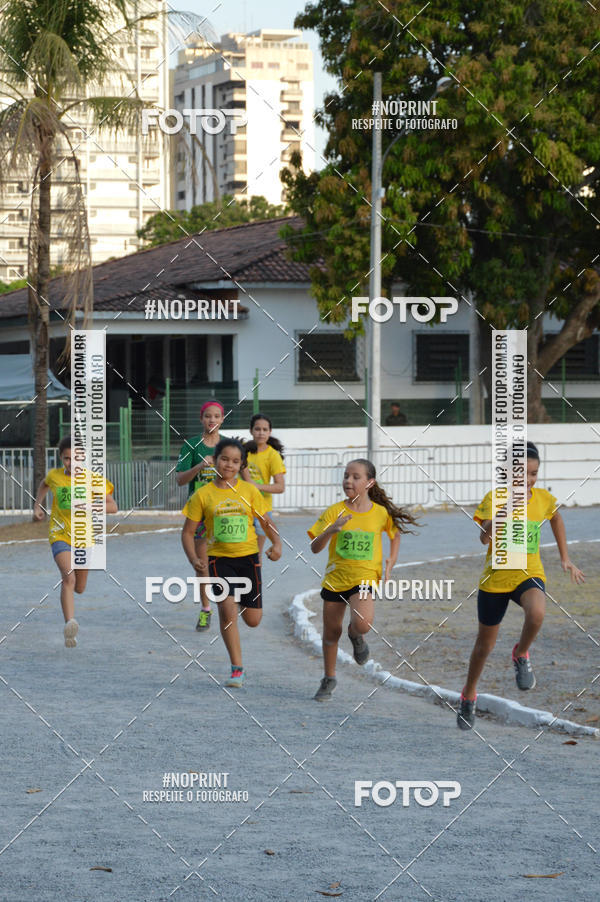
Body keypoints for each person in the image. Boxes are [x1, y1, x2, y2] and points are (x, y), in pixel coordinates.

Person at [457, 441, 585, 730]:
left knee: (537, 613)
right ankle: (468, 694)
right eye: (521, 474)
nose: (527, 480)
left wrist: (565, 558)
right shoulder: (495, 497)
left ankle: (521, 653)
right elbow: (484, 538)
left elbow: (556, 518)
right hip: (496, 579)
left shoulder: (542, 499)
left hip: (528, 573)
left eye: (533, 473)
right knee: (484, 647)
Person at [307, 458, 417, 701]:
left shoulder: (380, 513)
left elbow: (395, 534)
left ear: (369, 482)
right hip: (336, 578)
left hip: (365, 577)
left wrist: (392, 560)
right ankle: (329, 678)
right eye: (346, 475)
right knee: (330, 633)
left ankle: (356, 634)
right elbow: (315, 547)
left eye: (355, 477)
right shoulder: (334, 511)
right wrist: (330, 530)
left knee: (364, 623)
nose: (348, 480)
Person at [181, 438, 282, 687]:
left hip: (248, 559)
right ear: (215, 460)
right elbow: (186, 532)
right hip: (219, 560)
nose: (229, 465)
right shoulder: (202, 495)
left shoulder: (249, 491)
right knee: (227, 613)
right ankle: (237, 668)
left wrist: (277, 543)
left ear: (241, 465)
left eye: (235, 461)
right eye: (224, 459)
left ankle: (236, 603)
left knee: (253, 620)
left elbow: (265, 522)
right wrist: (194, 558)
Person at [32, 436, 118, 647]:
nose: (71, 463)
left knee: (79, 587)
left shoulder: (93, 480)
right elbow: (44, 485)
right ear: (62, 458)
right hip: (59, 534)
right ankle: (70, 625)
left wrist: (89, 506)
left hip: (83, 537)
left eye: (76, 458)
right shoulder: (55, 476)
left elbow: (113, 506)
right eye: (67, 458)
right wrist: (37, 506)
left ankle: (70, 616)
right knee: (68, 578)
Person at [175, 400, 224, 632]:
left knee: (228, 561)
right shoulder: (191, 445)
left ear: (222, 419)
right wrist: (199, 467)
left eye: (216, 416)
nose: (212, 420)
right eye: (207, 416)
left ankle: (231, 604)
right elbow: (179, 479)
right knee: (201, 564)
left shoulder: (228, 446)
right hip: (200, 512)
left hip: (226, 512)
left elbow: (241, 477)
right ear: (201, 419)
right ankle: (206, 610)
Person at [242, 413, 286, 562]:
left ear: (270, 432)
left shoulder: (273, 455)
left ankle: (255, 584)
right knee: (241, 553)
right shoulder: (243, 451)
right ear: (251, 431)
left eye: (265, 429)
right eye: (257, 429)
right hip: (242, 508)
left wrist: (257, 486)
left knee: (256, 555)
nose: (261, 433)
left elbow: (280, 487)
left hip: (262, 510)